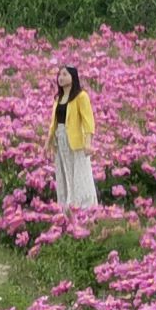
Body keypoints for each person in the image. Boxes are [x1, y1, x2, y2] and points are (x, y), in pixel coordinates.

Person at [49, 64, 98, 209]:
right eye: (60, 75)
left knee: (79, 172)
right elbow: (54, 122)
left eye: (65, 74)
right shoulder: (59, 99)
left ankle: (84, 205)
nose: (61, 77)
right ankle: (68, 203)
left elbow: (88, 121)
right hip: (61, 139)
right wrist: (49, 141)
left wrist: (88, 143)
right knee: (65, 171)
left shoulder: (81, 96)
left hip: (76, 141)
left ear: (73, 77)